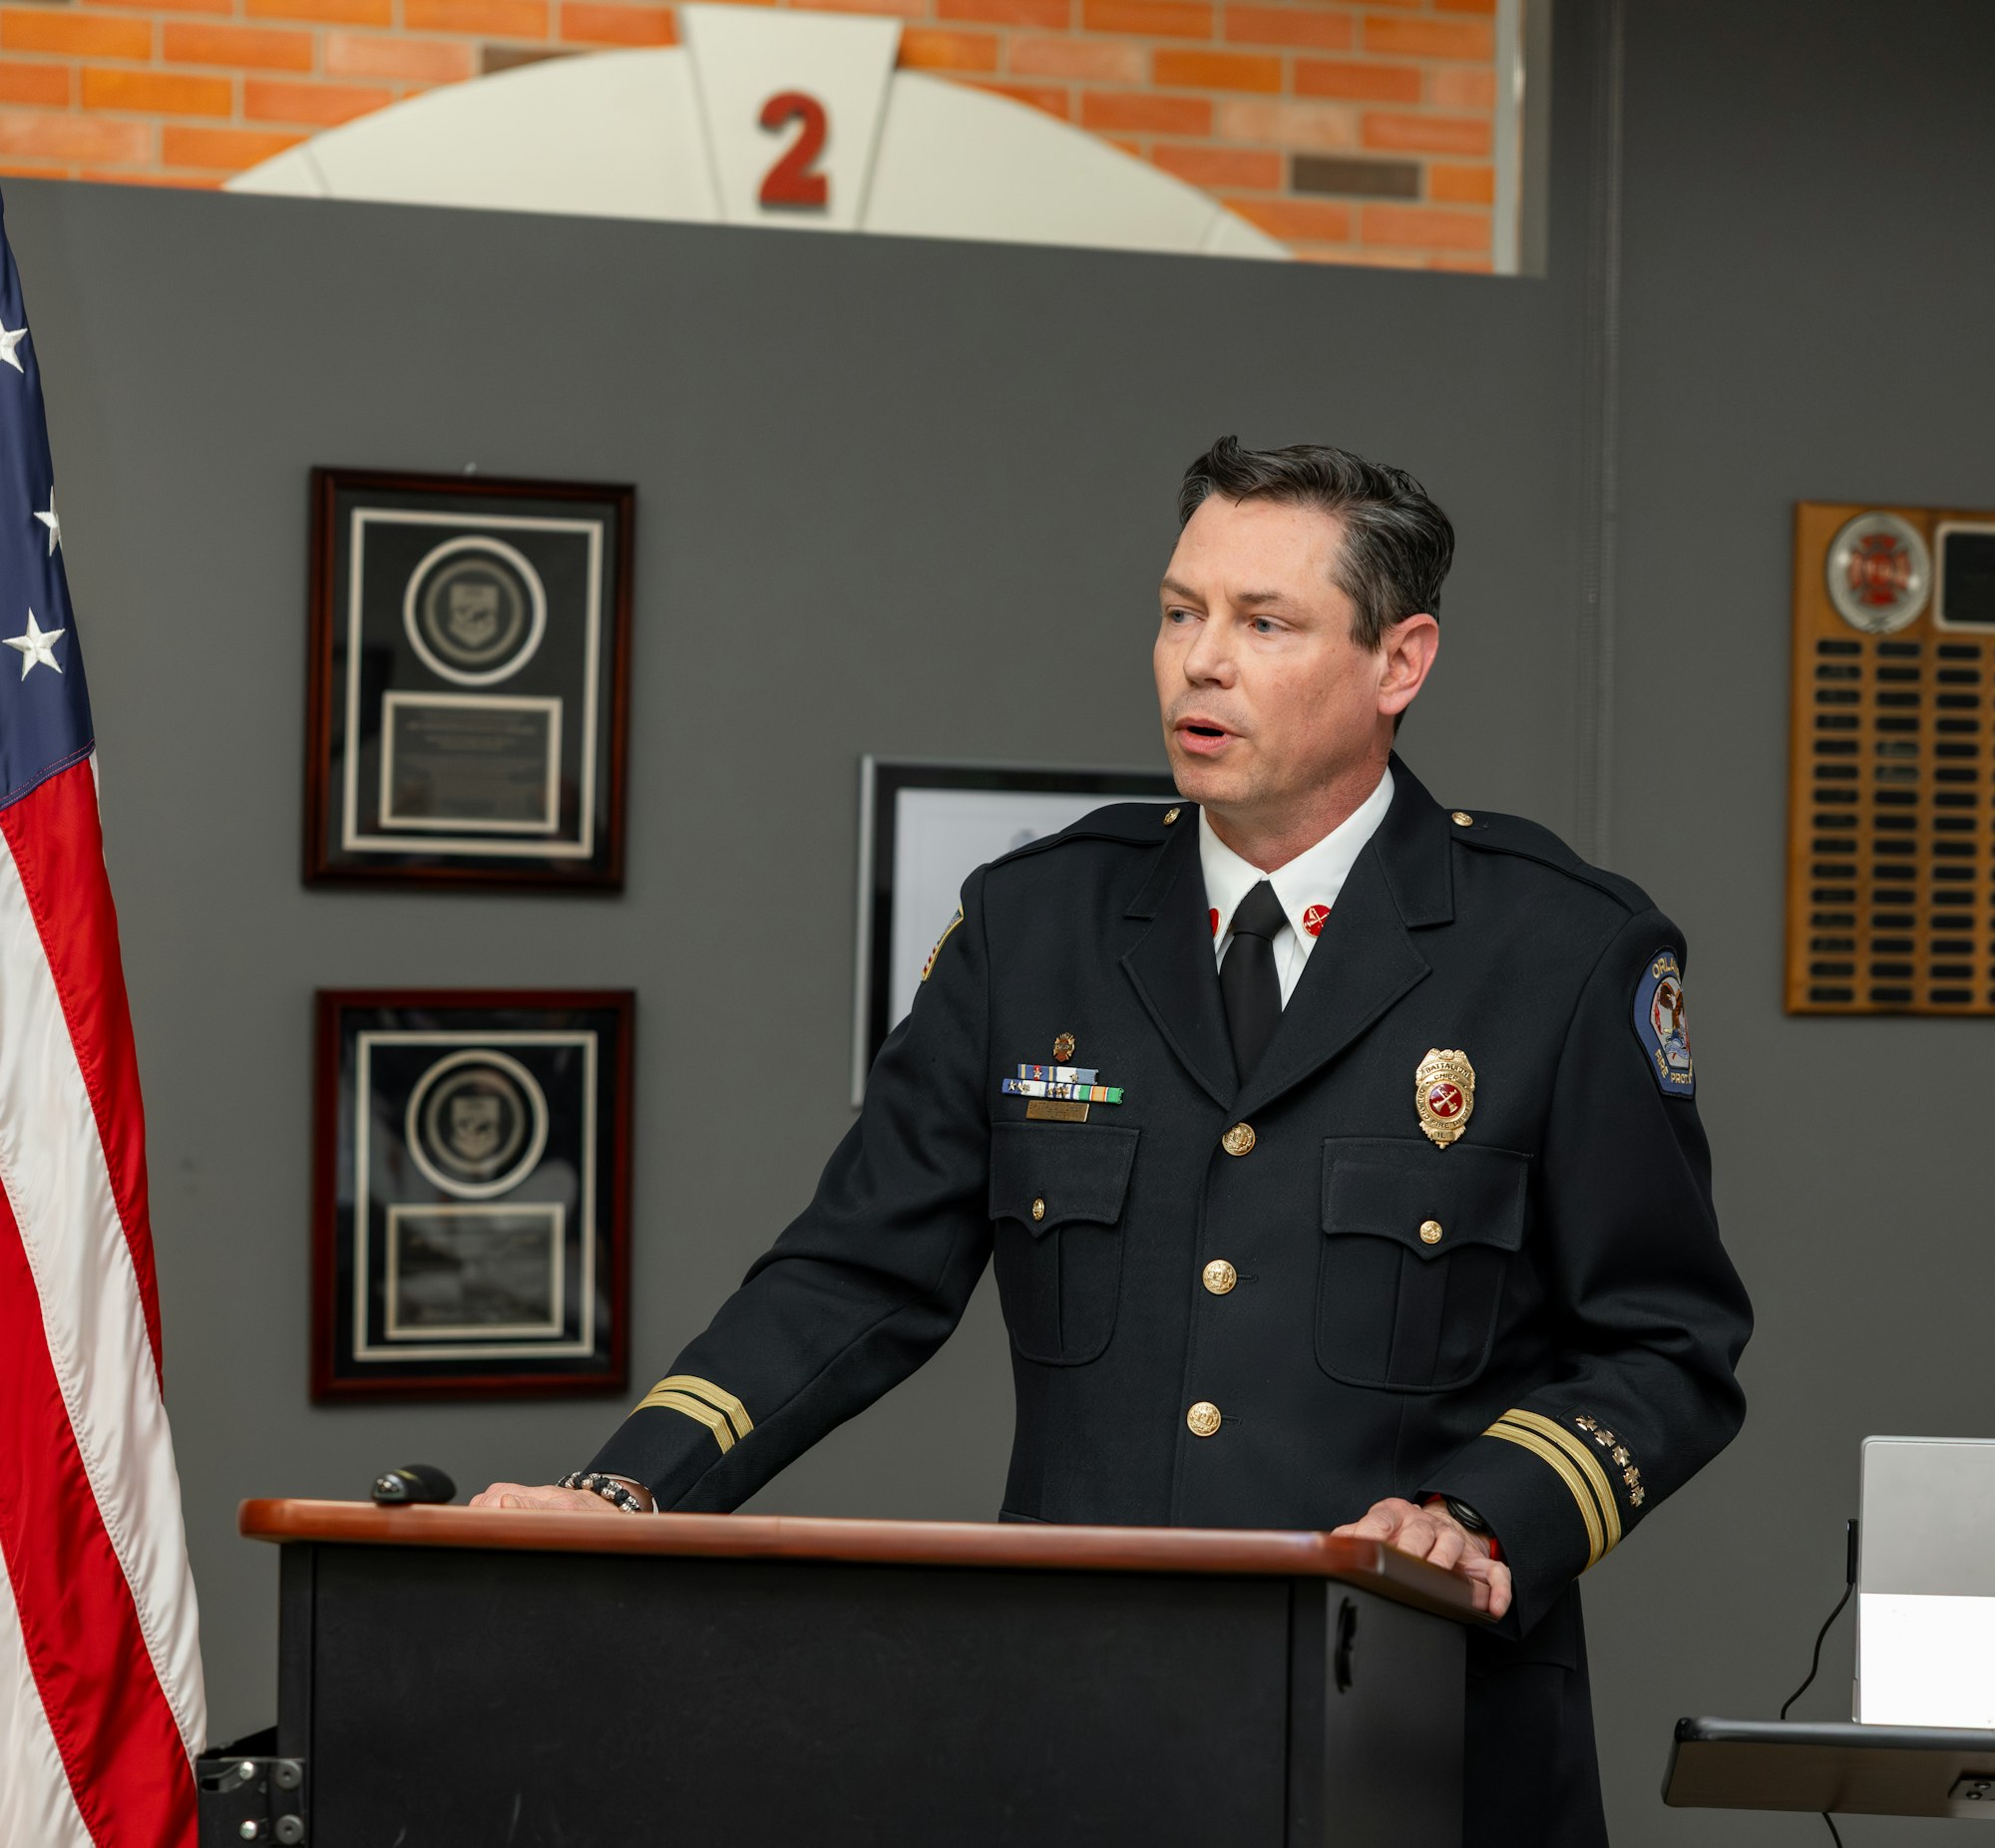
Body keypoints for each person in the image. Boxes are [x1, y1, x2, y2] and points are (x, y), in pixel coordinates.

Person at [475, 436, 1753, 1846]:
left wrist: (1485, 1514)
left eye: (1264, 623)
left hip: (1426, 1739)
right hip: (1082, 1740)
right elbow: (850, 1276)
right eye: (1178, 611)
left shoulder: (1563, 950)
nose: (1200, 662)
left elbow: (1666, 1341)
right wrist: (629, 1489)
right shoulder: (1035, 925)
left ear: (1400, 662)